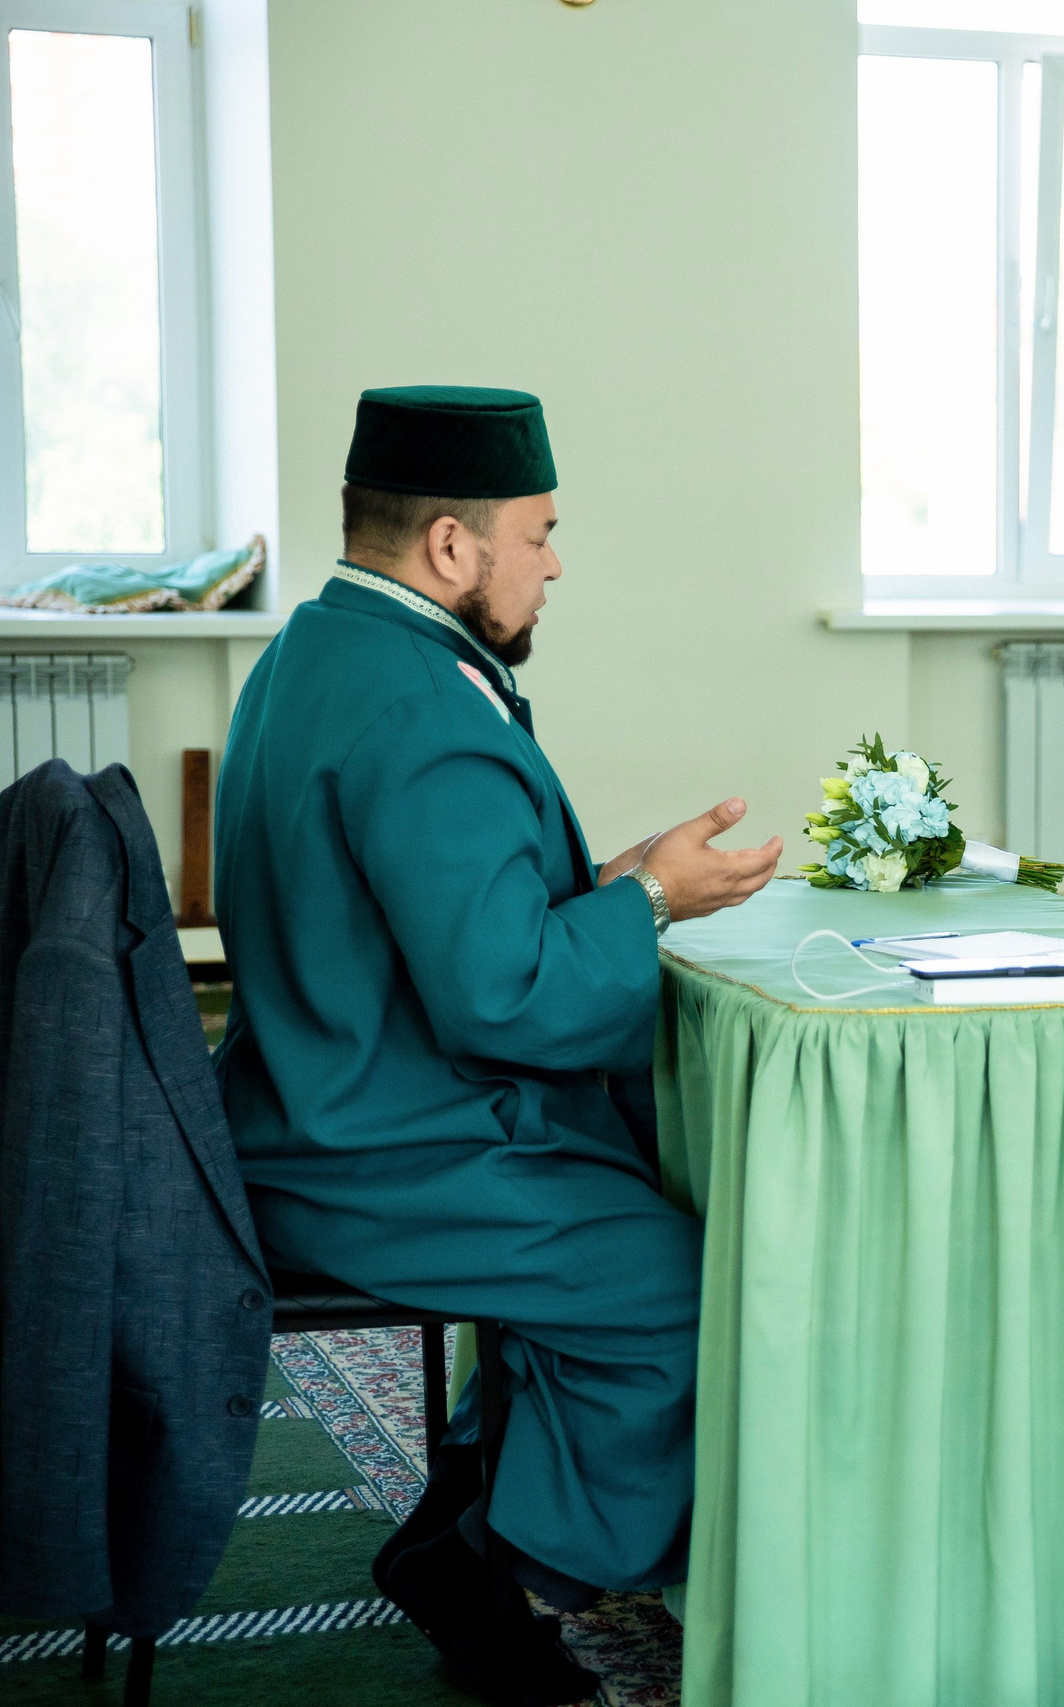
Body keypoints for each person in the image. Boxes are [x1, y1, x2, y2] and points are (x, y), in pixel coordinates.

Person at [216, 387, 781, 1703]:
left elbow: (442, 914)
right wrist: (646, 905)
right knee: (683, 1287)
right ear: (454, 548)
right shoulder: (422, 710)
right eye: (541, 531)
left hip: (318, 1092)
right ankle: (499, 1558)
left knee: (617, 1227)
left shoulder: (320, 651)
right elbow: (504, 998)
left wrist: (615, 878)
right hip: (378, 1143)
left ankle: (472, 1515)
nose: (556, 561)